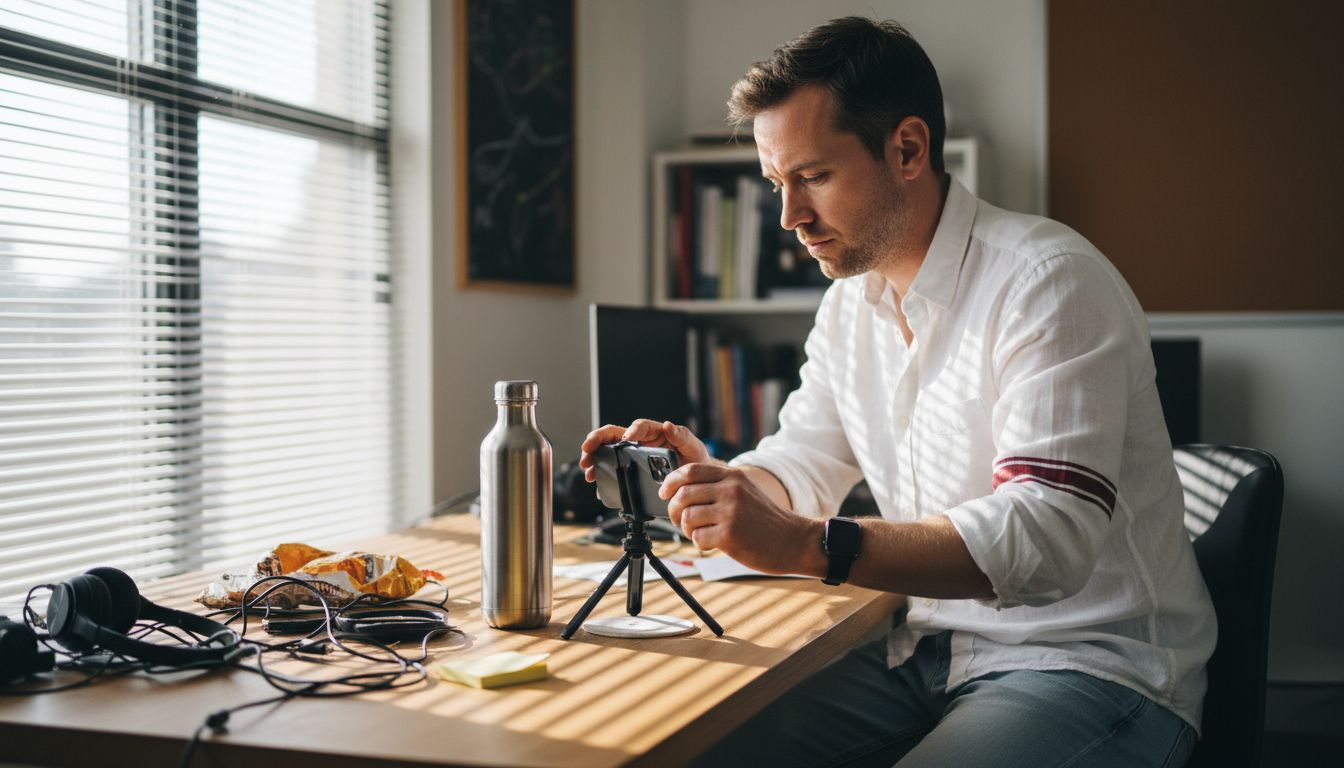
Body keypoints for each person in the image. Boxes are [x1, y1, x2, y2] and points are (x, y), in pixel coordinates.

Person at [579, 16, 1213, 768]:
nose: (789, 217)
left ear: (908, 149)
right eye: (778, 185)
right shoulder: (850, 305)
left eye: (814, 177)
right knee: (682, 746)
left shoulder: (1048, 281)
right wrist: (719, 488)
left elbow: (1046, 540)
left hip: (1088, 666)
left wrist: (807, 544)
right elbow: (804, 461)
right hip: (924, 654)